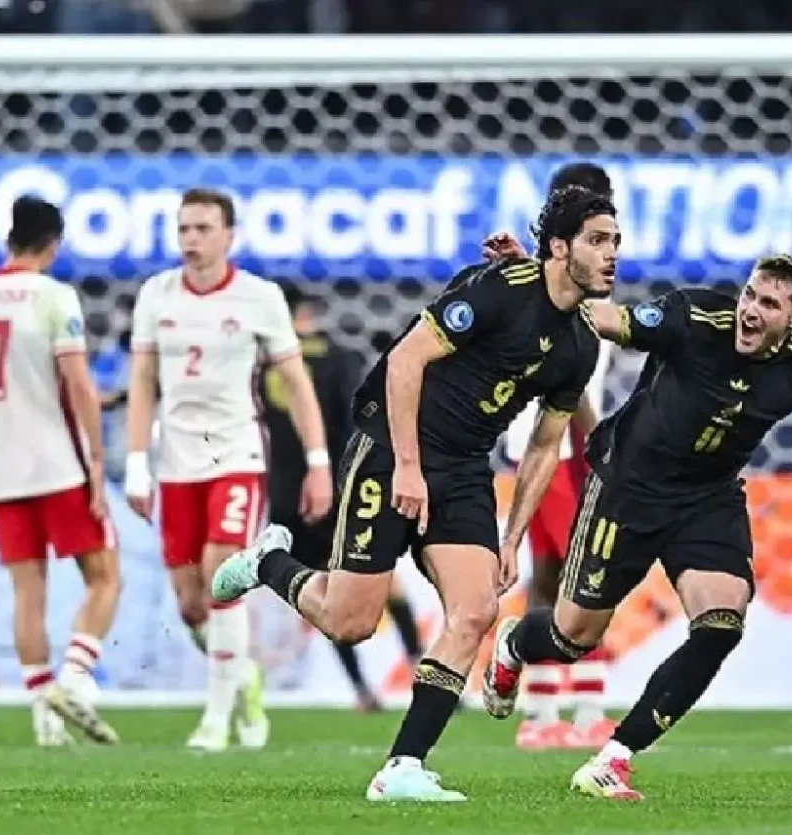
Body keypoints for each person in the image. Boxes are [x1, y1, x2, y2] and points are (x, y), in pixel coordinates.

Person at [212, 185, 615, 801]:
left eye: (614, 241)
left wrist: (511, 539)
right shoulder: (497, 289)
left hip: (462, 469)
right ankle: (269, 561)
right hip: (390, 449)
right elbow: (405, 362)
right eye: (597, 240)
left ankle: (402, 766)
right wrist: (405, 467)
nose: (612, 254)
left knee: (477, 609)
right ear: (560, 248)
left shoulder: (581, 343)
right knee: (350, 623)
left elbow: (544, 446)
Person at [480, 254, 792, 800]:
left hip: (707, 498)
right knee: (571, 637)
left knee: (722, 621)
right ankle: (515, 643)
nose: (750, 310)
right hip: (627, 488)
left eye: (769, 304)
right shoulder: (696, 316)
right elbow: (611, 320)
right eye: (750, 294)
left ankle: (614, 758)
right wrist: (543, 283)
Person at [124, 188, 334, 752]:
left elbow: (296, 382)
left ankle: (216, 718)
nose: (192, 240)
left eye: (203, 229)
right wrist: (137, 463)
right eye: (184, 229)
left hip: (235, 454)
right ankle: (243, 677)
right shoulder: (155, 295)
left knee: (223, 575)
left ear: (228, 236)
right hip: (176, 460)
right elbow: (142, 382)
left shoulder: (258, 297)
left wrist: (319, 463)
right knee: (191, 603)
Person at [0, 197, 122, 747]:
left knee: (29, 593)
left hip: (2, 470)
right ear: (54, 242)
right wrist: (97, 463)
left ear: (8, 240)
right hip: (57, 462)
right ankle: (73, 678)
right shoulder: (54, 297)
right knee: (105, 576)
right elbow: (77, 385)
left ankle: (44, 717)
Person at [493, 162, 617, 750]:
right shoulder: (551, 280)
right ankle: (570, 711)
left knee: (559, 573)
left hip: (567, 439)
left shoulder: (597, 279)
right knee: (579, 571)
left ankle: (549, 712)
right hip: (553, 442)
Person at [257, 283, 423, 711]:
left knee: (327, 596)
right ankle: (424, 674)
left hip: (286, 498)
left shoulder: (258, 367)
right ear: (306, 315)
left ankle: (362, 691)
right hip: (342, 487)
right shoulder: (338, 358)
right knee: (386, 584)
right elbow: (361, 422)